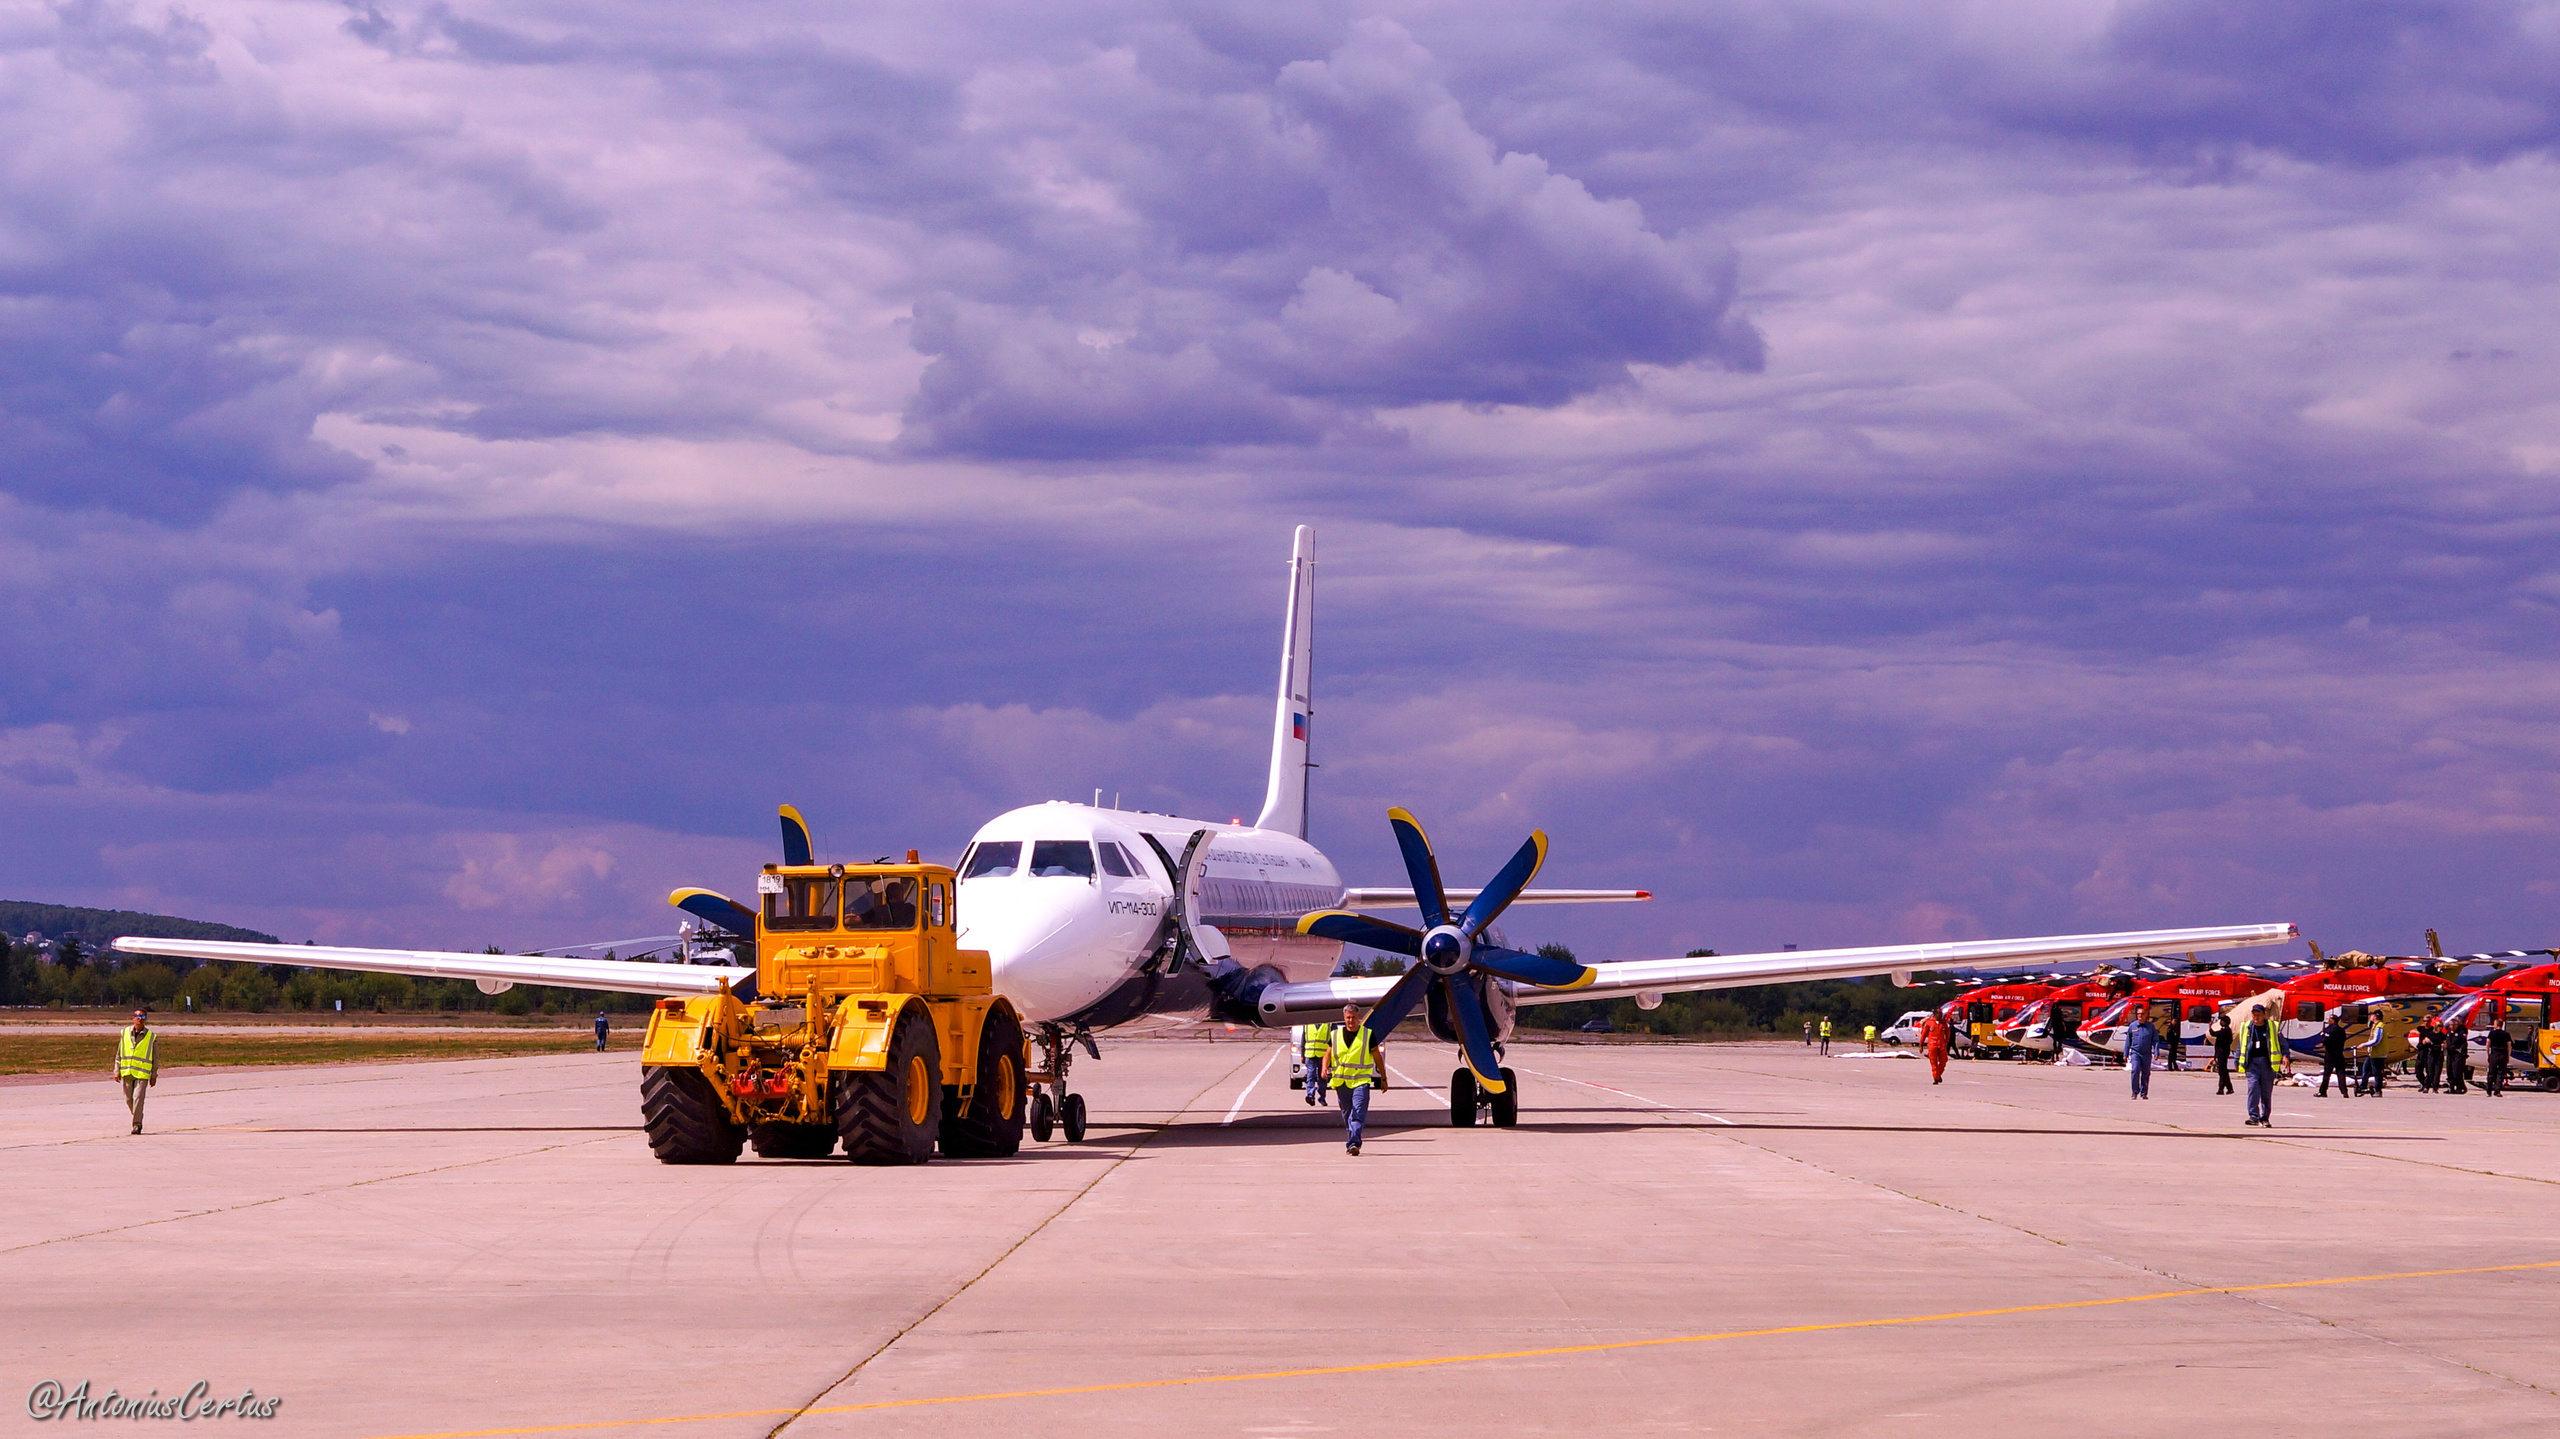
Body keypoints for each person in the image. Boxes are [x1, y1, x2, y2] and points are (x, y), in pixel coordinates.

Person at [1328, 1004, 1379, 1155]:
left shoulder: (1367, 1034)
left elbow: (1376, 1055)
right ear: (1344, 1018)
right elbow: (1328, 1052)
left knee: (1358, 1112)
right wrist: (1324, 1068)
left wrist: (1383, 1076)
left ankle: (1354, 1142)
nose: (1351, 1020)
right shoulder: (1335, 1035)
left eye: (1354, 1017)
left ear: (1359, 1018)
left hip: (1361, 1081)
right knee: (1347, 1113)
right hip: (1341, 1081)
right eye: (1348, 1017)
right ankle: (1352, 1138)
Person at [2239, 1002, 2287, 1126]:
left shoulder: (2273, 1027)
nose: (2256, 1017)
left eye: (2258, 1014)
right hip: (2252, 1063)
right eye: (2254, 1014)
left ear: (2264, 1015)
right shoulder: (2246, 1027)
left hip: (2267, 1063)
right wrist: (2236, 1060)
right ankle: (2253, 1116)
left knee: (2266, 1091)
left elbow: (2282, 1043)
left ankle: (2265, 1117)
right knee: (2253, 1087)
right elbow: (2241, 1044)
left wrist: (2285, 1055)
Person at [114, 1009, 158, 1135]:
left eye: (142, 1016)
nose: (140, 1018)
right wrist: (116, 1070)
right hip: (127, 1072)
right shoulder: (125, 1033)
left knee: (138, 1098)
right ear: (133, 1018)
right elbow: (119, 1053)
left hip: (142, 1074)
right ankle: (138, 1115)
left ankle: (137, 1125)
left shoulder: (151, 1037)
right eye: (138, 1016)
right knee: (129, 1100)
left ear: (146, 1019)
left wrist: (153, 1075)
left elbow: (155, 1058)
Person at [2124, 1011, 2158, 1099]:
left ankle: (2144, 1093)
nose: (2140, 1015)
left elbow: (2156, 1041)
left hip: (2146, 1053)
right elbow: (2128, 1041)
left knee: (2145, 1073)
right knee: (2135, 1070)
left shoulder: (2151, 1027)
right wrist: (2126, 1053)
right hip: (2135, 1052)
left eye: (2142, 1014)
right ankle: (2135, 1091)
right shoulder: (2132, 1026)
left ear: (2146, 1015)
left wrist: (2156, 1052)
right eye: (2138, 1014)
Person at [1300, 1019, 1332, 1107]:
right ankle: (1310, 1096)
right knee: (1310, 1076)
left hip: (1323, 1055)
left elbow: (1334, 1040)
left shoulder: (1329, 1024)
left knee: (1322, 1077)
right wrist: (1302, 1054)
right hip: (1310, 1054)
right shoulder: (1307, 1023)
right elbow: (1304, 1039)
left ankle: (1322, 1097)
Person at [2317, 1015, 2350, 1098]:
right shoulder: (2342, 1030)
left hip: (2330, 1055)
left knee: (2327, 1074)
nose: (2328, 1020)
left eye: (2330, 1019)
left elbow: (2325, 1041)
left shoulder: (2329, 1030)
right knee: (2341, 1073)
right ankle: (2344, 1092)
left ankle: (2323, 1091)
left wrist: (2322, 1034)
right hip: (2339, 1054)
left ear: (2333, 1021)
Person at [1920, 1011, 1951, 1084]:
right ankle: (1936, 1078)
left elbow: (1947, 1033)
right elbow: (1924, 1034)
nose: (1940, 1015)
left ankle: (1938, 1074)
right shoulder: (1929, 1023)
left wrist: (1946, 1041)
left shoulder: (1943, 1023)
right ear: (1935, 1014)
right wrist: (1921, 1045)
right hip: (1932, 1044)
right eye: (1938, 1014)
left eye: (1941, 1014)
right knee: (1933, 1062)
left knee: (1944, 1061)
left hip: (1941, 1044)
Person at [2210, 1012, 2234, 1096]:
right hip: (2222, 1052)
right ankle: (2225, 1088)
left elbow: (2213, 1034)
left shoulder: (2225, 1030)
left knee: (2222, 1071)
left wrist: (2210, 1027)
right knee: (2223, 1071)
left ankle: (2226, 1088)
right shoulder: (2226, 1030)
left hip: (2222, 1052)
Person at [2445, 1023, 2471, 1095]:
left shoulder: (2461, 1032)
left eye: (2453, 1025)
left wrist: (2461, 1050)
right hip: (2450, 1054)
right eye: (2450, 1025)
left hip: (2457, 1054)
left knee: (2456, 1070)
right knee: (2449, 1070)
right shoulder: (2448, 1033)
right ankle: (2451, 1087)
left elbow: (2464, 1043)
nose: (2451, 1026)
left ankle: (2461, 1087)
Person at [2485, 1024, 2511, 1098]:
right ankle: (2497, 1090)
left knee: (2491, 1072)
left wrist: (2488, 1054)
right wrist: (2508, 1056)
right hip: (2503, 1054)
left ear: (2496, 1025)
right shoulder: (2506, 1034)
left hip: (2494, 1054)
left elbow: (2487, 1044)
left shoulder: (2492, 1033)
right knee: (2500, 1073)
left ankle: (2489, 1090)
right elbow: (2509, 1046)